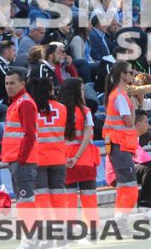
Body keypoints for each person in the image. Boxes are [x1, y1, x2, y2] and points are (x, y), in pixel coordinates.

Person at [0, 67, 39, 215]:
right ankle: (29, 234)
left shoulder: (24, 103)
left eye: (12, 83)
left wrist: (21, 159)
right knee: (23, 199)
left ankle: (30, 234)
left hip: (22, 160)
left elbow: (29, 134)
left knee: (25, 199)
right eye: (6, 83)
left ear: (22, 84)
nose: (8, 86)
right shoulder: (17, 102)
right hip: (18, 159)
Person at [60, 77, 99, 217]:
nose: (84, 93)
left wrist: (69, 158)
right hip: (85, 158)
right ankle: (92, 227)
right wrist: (77, 157)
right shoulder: (85, 111)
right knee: (89, 196)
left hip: (65, 158)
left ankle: (69, 227)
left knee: (68, 196)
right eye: (82, 90)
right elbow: (88, 136)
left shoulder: (59, 111)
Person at [103, 60, 139, 216]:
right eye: (130, 72)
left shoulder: (118, 94)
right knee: (128, 184)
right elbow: (130, 122)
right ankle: (120, 218)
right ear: (123, 75)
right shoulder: (120, 96)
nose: (133, 75)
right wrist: (134, 105)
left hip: (119, 143)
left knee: (126, 184)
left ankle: (121, 218)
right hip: (119, 143)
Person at [29, 76, 67, 212]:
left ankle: (45, 226)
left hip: (38, 158)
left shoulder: (31, 109)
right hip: (58, 157)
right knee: (58, 194)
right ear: (50, 91)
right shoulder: (62, 108)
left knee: (41, 195)